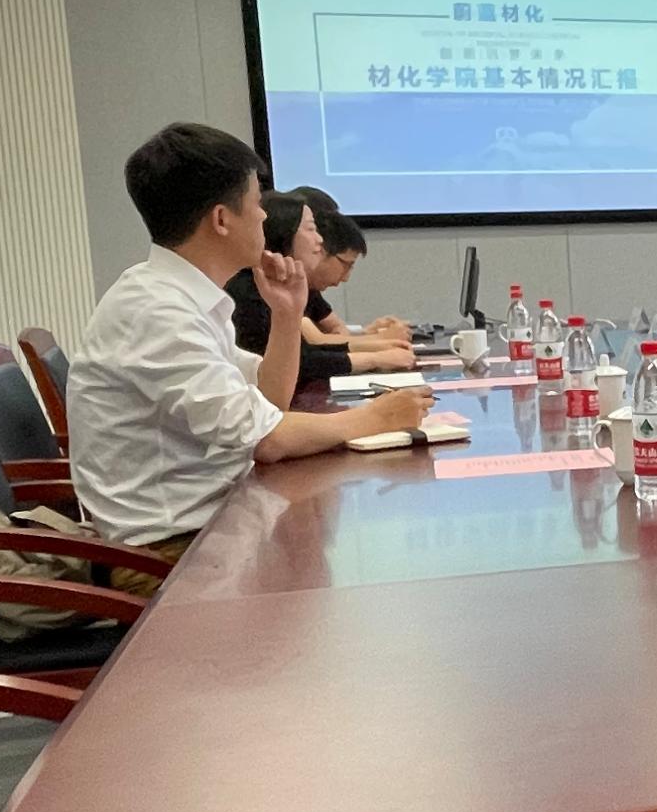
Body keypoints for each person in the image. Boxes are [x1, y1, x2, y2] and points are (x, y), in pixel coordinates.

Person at [68, 123, 433, 595]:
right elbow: (267, 440)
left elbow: (267, 403)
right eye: (257, 202)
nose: (264, 215)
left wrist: (287, 315)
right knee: (363, 588)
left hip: (216, 520)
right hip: (168, 553)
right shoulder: (156, 311)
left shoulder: (183, 297)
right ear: (222, 219)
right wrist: (375, 419)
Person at [225, 193, 415, 384]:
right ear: (284, 233)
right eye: (311, 228)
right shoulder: (248, 290)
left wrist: (376, 346)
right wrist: (375, 356)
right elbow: (303, 360)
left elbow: (309, 349)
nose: (320, 241)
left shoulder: (283, 284)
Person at [293, 186, 410, 344]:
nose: (318, 240)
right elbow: (316, 343)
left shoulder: (307, 287)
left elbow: (335, 329)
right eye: (311, 228)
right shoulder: (273, 282)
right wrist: (380, 341)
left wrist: (364, 333)